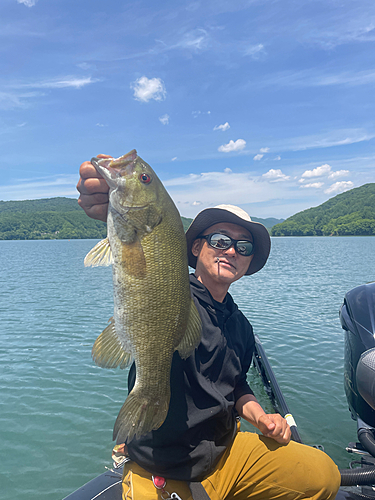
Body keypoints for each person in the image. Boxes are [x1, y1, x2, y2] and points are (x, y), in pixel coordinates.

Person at [77, 159, 341, 500]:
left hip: (224, 450)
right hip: (161, 464)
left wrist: (260, 417)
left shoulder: (240, 325)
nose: (231, 251)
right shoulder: (175, 295)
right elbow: (140, 261)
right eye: (220, 240)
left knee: (324, 475)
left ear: (247, 262)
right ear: (197, 247)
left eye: (243, 247)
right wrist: (113, 212)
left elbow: (236, 383)